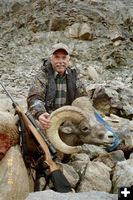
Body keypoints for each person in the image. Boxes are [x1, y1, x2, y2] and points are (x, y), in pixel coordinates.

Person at [27, 43, 88, 130]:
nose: (61, 61)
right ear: (51, 59)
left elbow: (83, 97)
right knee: (36, 127)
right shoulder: (43, 74)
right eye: (57, 57)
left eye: (64, 57)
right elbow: (34, 98)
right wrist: (40, 113)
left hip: (68, 118)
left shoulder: (74, 74)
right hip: (48, 118)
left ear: (68, 59)